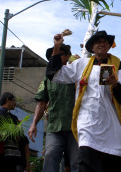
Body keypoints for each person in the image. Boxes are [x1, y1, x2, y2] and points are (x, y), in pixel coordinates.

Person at [46, 30, 121, 172]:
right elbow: (56, 75)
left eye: (104, 41)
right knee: (86, 164)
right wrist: (57, 47)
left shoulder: (119, 67)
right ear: (92, 47)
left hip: (112, 128)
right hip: (88, 125)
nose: (101, 44)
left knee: (112, 165)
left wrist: (115, 84)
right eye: (97, 42)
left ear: (109, 46)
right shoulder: (81, 64)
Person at [28, 44, 79, 172]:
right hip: (55, 127)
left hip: (75, 128)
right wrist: (34, 124)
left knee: (77, 162)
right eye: (53, 55)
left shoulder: (76, 75)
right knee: (50, 155)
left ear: (67, 57)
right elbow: (41, 102)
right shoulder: (48, 79)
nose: (55, 57)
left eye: (60, 54)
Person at [0, 92, 30, 172]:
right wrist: (8, 133)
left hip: (12, 159)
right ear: (8, 100)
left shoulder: (14, 118)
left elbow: (21, 140)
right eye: (14, 100)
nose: (15, 103)